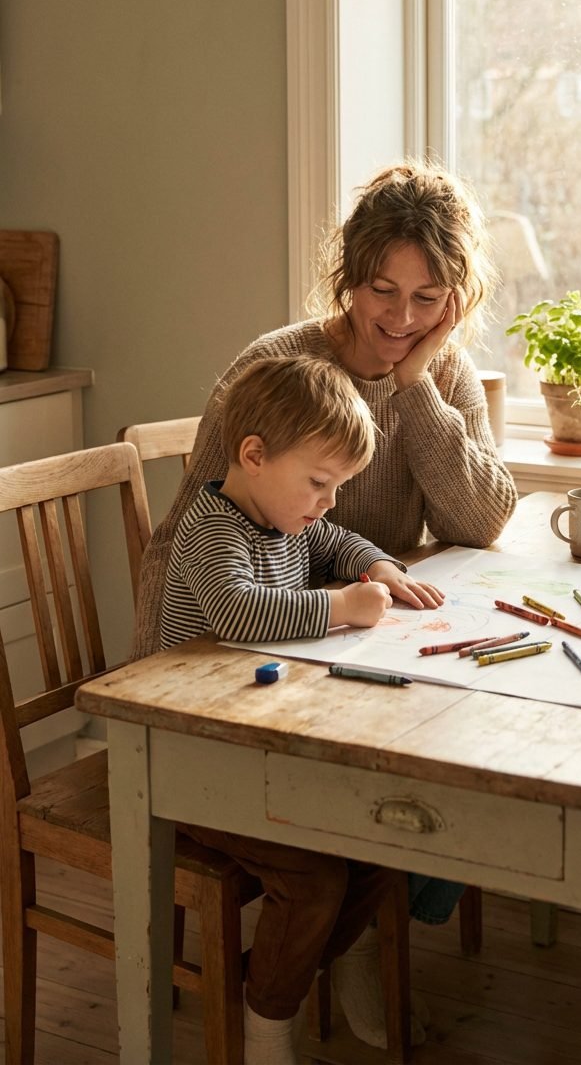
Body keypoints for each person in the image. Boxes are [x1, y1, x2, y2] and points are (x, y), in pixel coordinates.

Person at [134, 161, 517, 935]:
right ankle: (346, 943)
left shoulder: (442, 373)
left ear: (455, 301)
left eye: (427, 298)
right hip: (242, 641)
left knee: (474, 741)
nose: (402, 316)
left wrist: (414, 385)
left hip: (349, 632)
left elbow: (481, 521)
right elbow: (196, 534)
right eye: (383, 289)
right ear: (348, 274)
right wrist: (160, 682)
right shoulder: (283, 367)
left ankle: (365, 931)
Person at [163, 354, 440, 1065]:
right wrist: (341, 607)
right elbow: (237, 608)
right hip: (194, 759)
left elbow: (337, 541)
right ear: (254, 456)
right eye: (320, 483)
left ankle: (276, 974)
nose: (328, 503)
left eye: (338, 486)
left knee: (382, 854)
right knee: (315, 879)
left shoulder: (287, 519)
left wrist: (376, 566)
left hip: (260, 744)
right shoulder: (214, 528)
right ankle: (266, 1024)